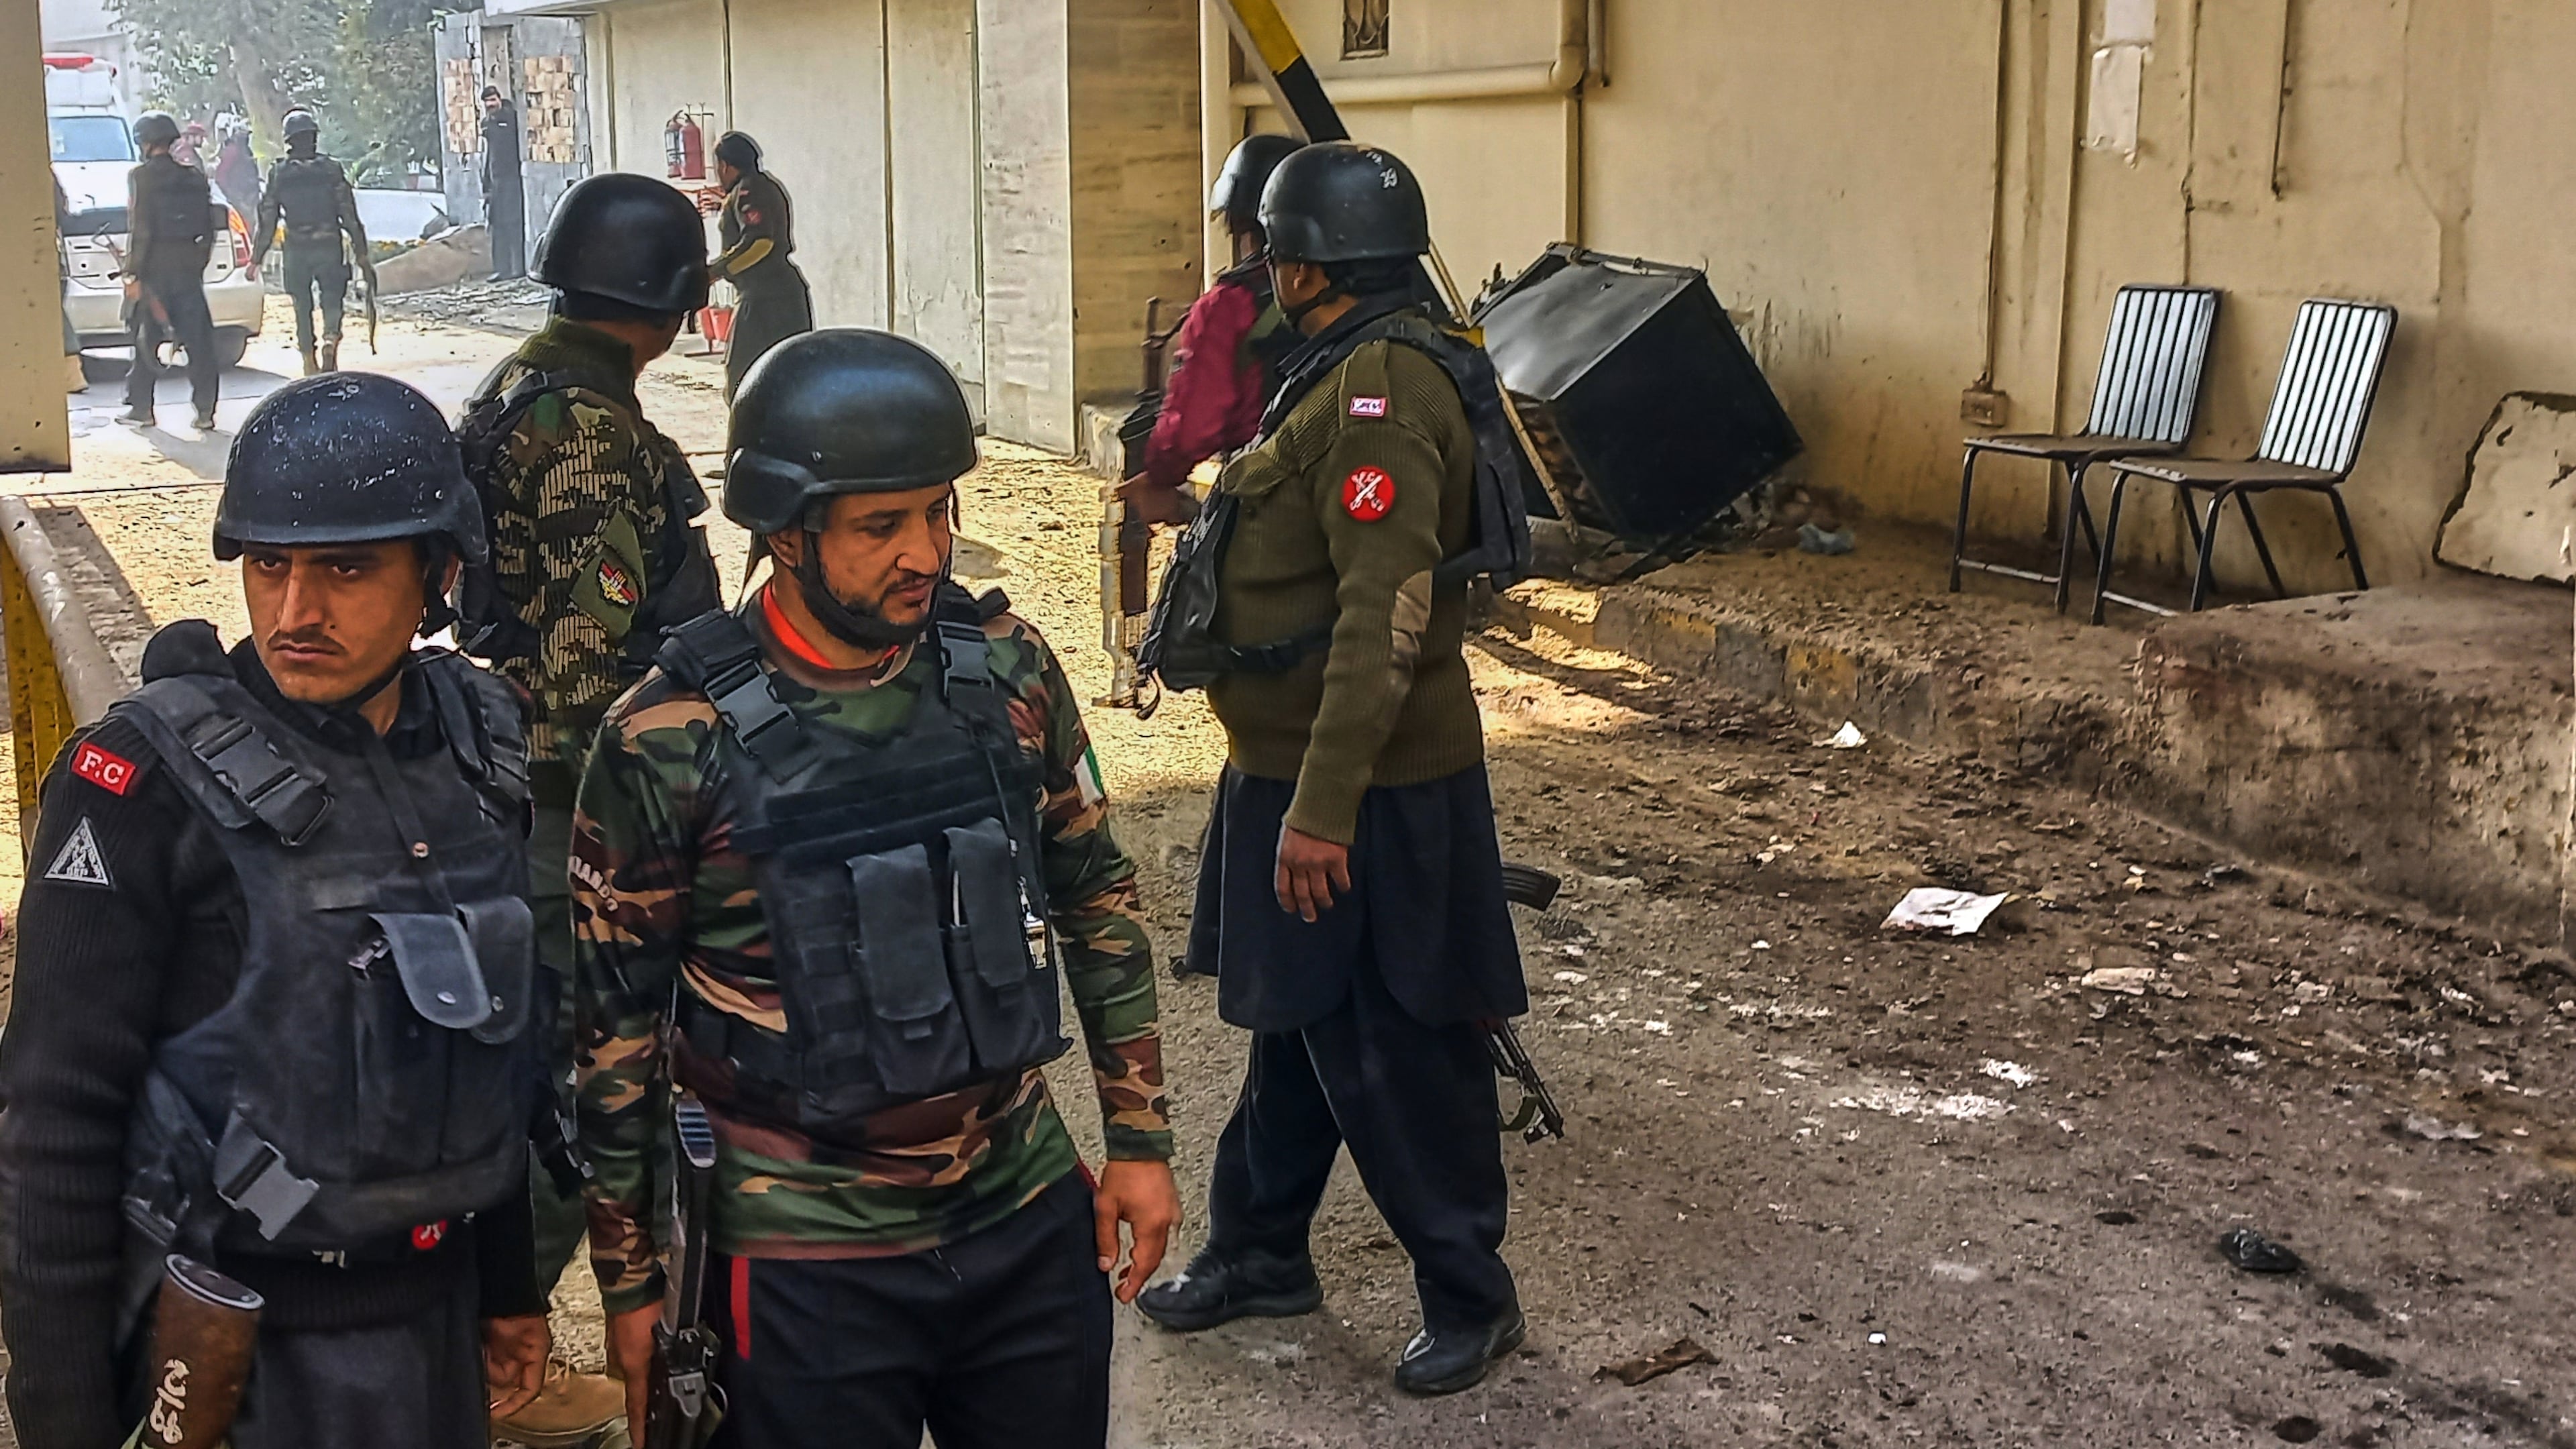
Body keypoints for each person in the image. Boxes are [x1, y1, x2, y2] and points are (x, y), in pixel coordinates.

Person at [572, 329, 1179, 1449]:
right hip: (803, 1250)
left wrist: (1140, 1144)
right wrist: (632, 1285)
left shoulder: (1007, 668)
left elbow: (1095, 893)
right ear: (786, 534)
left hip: (1019, 1209)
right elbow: (615, 1039)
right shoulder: (668, 737)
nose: (925, 553)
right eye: (879, 526)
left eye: (938, 511)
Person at [0, 373, 555, 1448]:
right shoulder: (141, 782)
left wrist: (507, 1284)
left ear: (437, 573)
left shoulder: (478, 743)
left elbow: (489, 1048)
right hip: (229, 1357)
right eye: (270, 567)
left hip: (431, 1333)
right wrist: (60, 1419)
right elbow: (52, 1124)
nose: (297, 612)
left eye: (346, 570)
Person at [1133, 141, 1534, 1395]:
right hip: (1292, 765)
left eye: (1270, 250)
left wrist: (1322, 813)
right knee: (1293, 1022)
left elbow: (1387, 615)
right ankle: (1259, 1251)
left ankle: (1472, 1295)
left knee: (1400, 1044)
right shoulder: (1333, 366)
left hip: (1366, 786)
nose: (1260, 269)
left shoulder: (1381, 393)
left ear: (1306, 264)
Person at [451, 169, 722, 1444]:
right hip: (582, 810)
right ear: (668, 307)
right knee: (590, 1087)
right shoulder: (590, 432)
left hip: (533, 791)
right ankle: (493, 1364)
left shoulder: (520, 381)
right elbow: (580, 674)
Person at [1128, 132, 1301, 524]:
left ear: (1243, 227)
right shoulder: (1351, 298)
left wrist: (1160, 475)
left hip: (1266, 500)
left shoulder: (1230, 305)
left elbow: (1192, 427)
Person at [119, 110, 220, 431]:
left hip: (154, 273)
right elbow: (209, 228)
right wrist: (196, 263)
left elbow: (141, 230)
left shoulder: (141, 177)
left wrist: (133, 274)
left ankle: (141, 408)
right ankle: (205, 411)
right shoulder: (194, 177)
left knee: (146, 339)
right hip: (188, 271)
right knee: (199, 343)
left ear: (146, 144)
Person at [256, 108, 374, 375]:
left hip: (297, 248)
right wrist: (362, 253)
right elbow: (349, 213)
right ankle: (331, 338)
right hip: (328, 244)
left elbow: (268, 218)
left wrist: (256, 257)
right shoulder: (331, 170)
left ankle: (309, 359)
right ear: (314, 138)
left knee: (302, 304)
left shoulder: (280, 173)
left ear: (289, 140)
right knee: (332, 297)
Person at [708, 130, 814, 399]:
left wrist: (715, 272)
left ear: (725, 166)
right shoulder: (763, 187)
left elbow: (760, 243)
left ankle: (751, 439)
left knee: (743, 382)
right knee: (791, 379)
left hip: (764, 300)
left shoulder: (748, 191)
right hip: (784, 294)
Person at [482, 87, 527, 282]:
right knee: (497, 226)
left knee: (513, 223)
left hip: (511, 180)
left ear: (500, 99)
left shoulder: (510, 119)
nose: (491, 105)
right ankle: (502, 269)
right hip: (496, 181)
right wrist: (486, 184)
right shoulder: (488, 122)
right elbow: (490, 156)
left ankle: (518, 268)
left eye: (493, 100)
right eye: (487, 102)